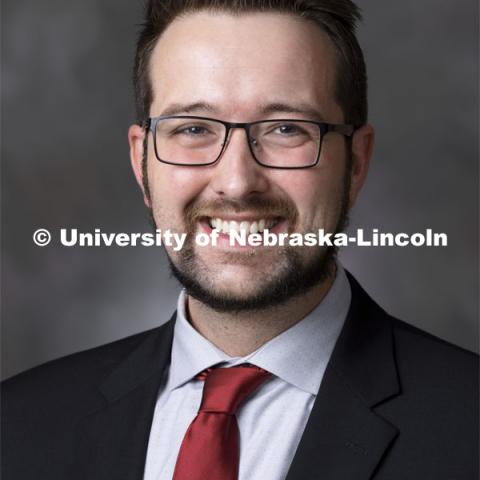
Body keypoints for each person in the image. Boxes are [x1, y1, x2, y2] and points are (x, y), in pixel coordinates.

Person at [2, 1, 478, 479]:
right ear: (141, 164)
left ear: (355, 163)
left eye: (286, 128)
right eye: (192, 128)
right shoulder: (18, 424)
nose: (237, 182)